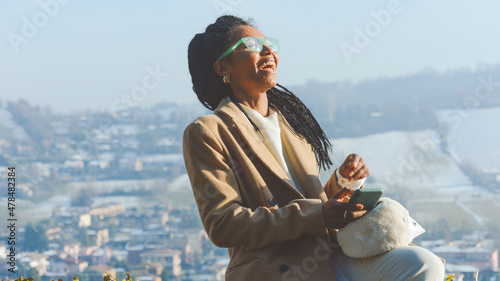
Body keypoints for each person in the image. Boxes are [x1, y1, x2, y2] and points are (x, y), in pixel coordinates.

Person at [183, 15, 445, 281]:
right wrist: (317, 215)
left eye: (269, 43)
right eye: (251, 45)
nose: (268, 51)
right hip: (279, 265)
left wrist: (342, 184)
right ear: (222, 68)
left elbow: (309, 202)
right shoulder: (208, 131)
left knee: (423, 264)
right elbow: (224, 224)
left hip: (331, 251)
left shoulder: (291, 124)